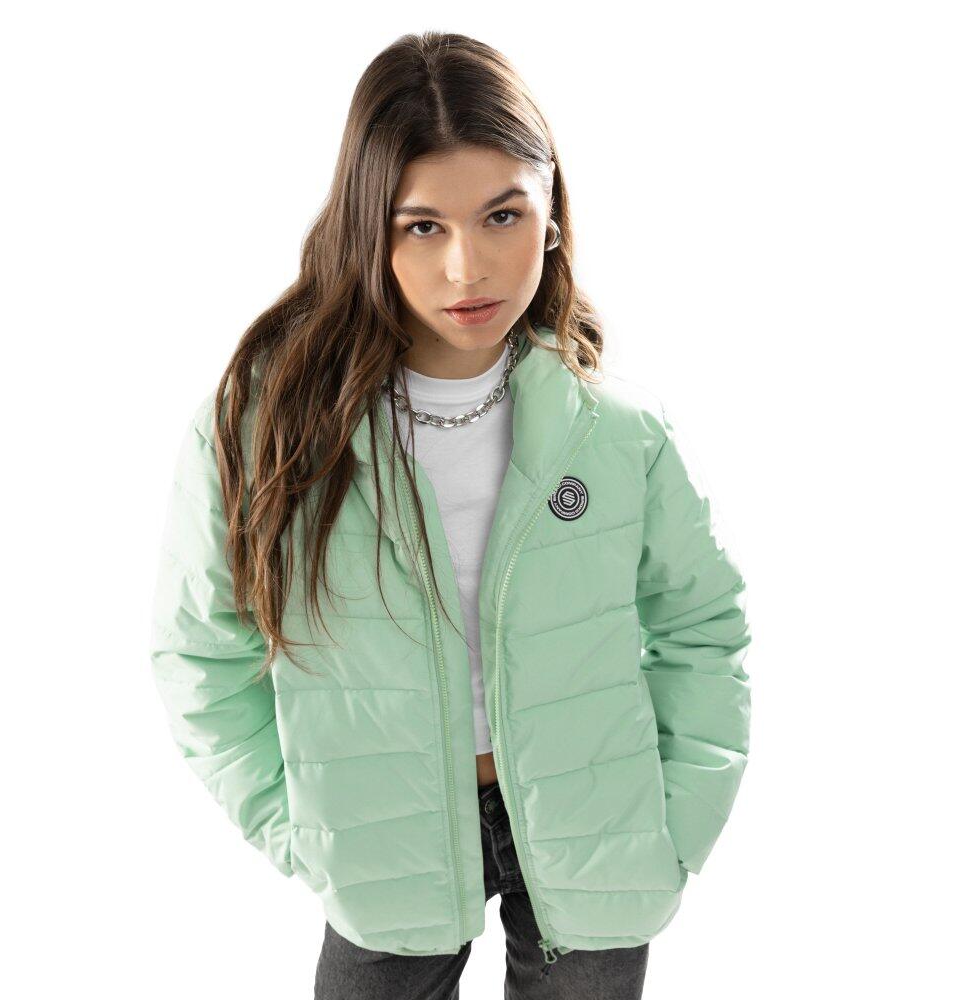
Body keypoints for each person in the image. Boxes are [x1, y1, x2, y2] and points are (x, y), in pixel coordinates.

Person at [148, 31, 752, 1000]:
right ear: (367, 226)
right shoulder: (270, 422)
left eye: (502, 214)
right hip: (382, 839)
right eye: (422, 225)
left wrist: (678, 823)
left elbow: (702, 627)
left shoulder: (614, 429)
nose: (468, 267)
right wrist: (302, 828)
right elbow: (199, 652)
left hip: (597, 828)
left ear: (550, 213)